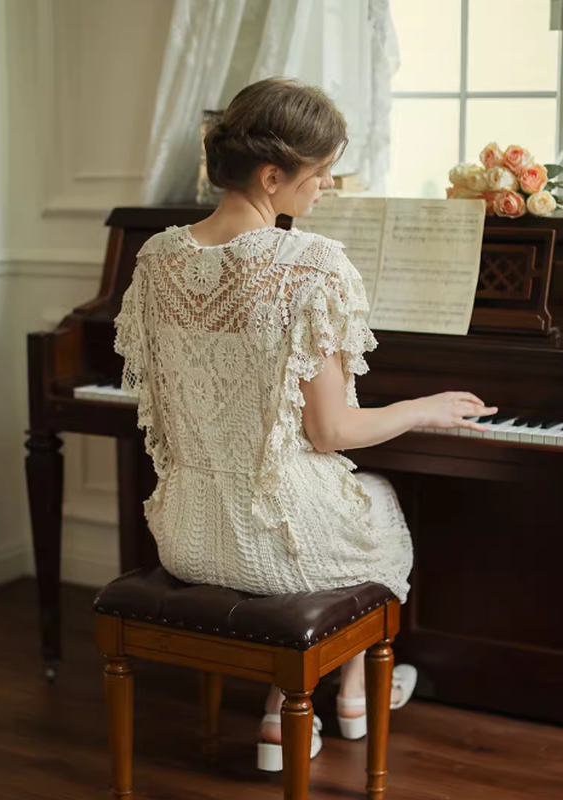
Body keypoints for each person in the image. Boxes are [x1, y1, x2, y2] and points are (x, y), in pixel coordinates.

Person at [114, 78, 497, 771]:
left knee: (343, 499)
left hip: (185, 536)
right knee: (380, 504)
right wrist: (423, 407)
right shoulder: (310, 265)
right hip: (274, 543)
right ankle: (348, 694)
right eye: (321, 175)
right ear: (272, 175)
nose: (326, 189)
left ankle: (297, 702)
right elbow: (330, 434)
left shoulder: (156, 258)